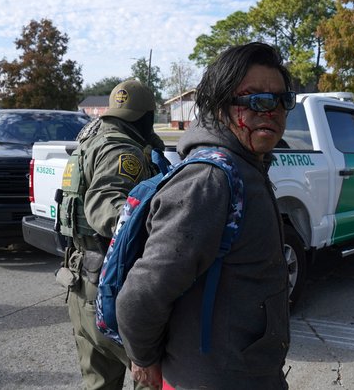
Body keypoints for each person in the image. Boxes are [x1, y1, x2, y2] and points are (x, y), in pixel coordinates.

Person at [116, 42, 294, 390]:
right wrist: (145, 357)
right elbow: (142, 294)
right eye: (255, 99)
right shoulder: (209, 181)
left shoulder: (249, 166)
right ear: (218, 105)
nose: (271, 111)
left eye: (281, 100)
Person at [59, 79, 164, 389]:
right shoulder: (123, 150)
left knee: (99, 382)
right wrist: (158, 225)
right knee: (150, 379)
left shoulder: (91, 141)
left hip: (80, 279)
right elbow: (106, 205)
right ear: (146, 117)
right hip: (109, 286)